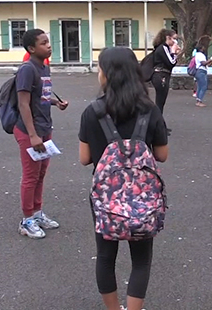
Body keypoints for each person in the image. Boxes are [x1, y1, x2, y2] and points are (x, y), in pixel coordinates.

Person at [79, 47, 168, 310]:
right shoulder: (149, 110)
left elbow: (84, 158)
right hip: (143, 198)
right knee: (141, 260)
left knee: (106, 256)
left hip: (106, 198)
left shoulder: (92, 112)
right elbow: (162, 155)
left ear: (107, 74)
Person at [15, 29, 69, 239]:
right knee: (30, 176)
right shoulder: (27, 69)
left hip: (45, 128)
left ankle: (37, 213)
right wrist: (33, 135)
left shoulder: (43, 67)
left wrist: (56, 103)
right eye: (44, 42)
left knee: (41, 174)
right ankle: (27, 219)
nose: (49, 45)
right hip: (30, 131)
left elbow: (41, 96)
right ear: (31, 48)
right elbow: (23, 103)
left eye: (48, 41)